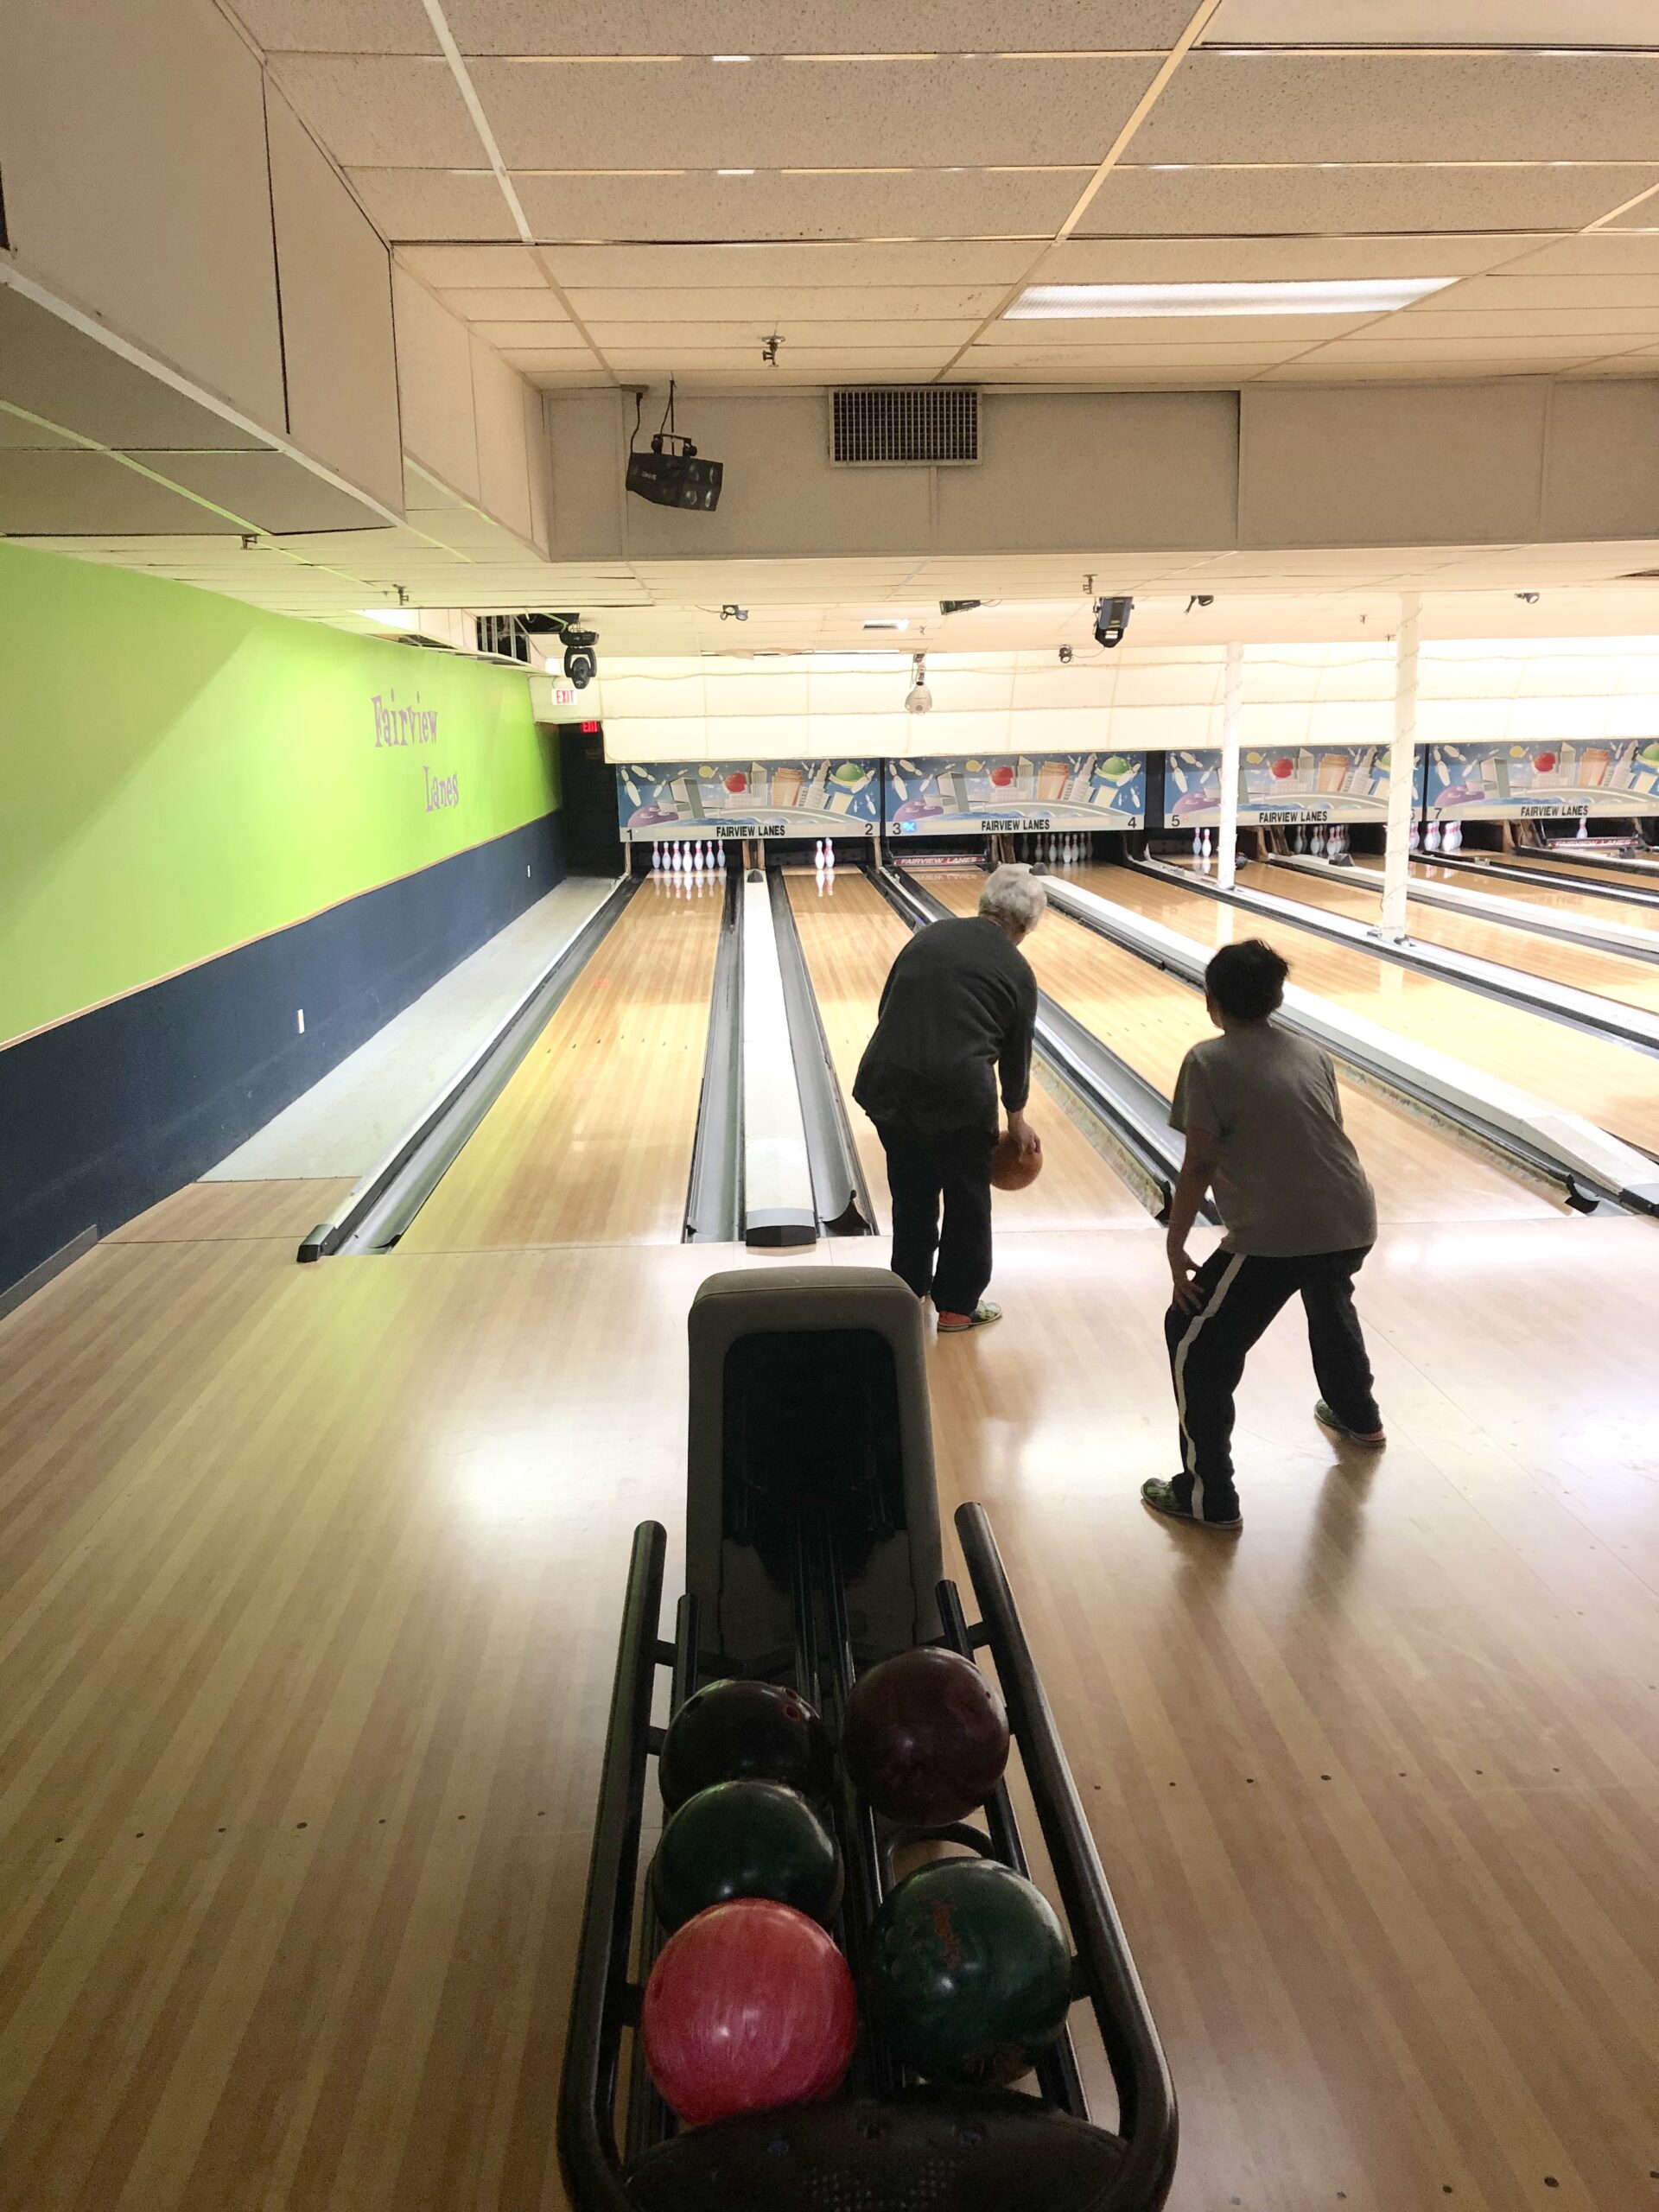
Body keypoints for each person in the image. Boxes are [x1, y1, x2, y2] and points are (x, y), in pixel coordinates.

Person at [1145, 938, 1384, 1531]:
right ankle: (1359, 1417)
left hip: (1278, 1233)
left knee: (1193, 1337)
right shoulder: (1312, 1052)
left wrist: (1175, 1245)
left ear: (1211, 999)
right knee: (1328, 1294)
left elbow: (1200, 1164)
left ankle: (1207, 1497)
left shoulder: (1207, 1061)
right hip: (1351, 1218)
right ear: (1278, 997)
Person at [853, 866, 1044, 1332]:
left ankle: (908, 1288)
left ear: (984, 903)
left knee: (911, 1191)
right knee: (967, 1201)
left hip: (888, 1080)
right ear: (1025, 926)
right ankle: (958, 1307)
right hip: (961, 1093)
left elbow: (888, 1007)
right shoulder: (1017, 970)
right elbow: (1016, 1056)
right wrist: (1017, 1118)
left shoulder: (928, 936)